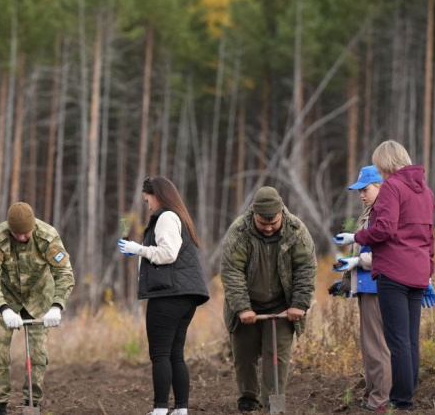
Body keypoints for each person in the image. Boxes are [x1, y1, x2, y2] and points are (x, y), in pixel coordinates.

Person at [333, 140, 435, 411]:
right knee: (411, 340)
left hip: (393, 273)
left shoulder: (392, 187)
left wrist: (355, 237)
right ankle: (407, 398)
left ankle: (400, 402)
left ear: (385, 163)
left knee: (397, 340)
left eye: (379, 165)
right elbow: (428, 236)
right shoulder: (425, 191)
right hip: (417, 273)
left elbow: (385, 230)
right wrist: (429, 271)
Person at [117, 176, 210, 415]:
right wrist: (141, 250)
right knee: (175, 355)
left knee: (159, 354)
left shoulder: (166, 217)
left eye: (147, 198)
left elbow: (168, 253)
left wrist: (138, 249)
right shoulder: (178, 217)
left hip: (169, 295)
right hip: (186, 295)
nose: (147, 204)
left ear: (157, 195)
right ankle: (180, 410)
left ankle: (159, 410)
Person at [220, 186, 317, 413]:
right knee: (244, 356)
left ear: (281, 213)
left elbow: (306, 268)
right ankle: (248, 400)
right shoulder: (239, 232)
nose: (268, 227)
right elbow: (231, 271)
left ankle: (275, 406)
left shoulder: (296, 230)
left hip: (284, 305)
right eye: (263, 223)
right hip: (247, 305)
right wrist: (242, 308)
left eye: (272, 222)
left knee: (278, 358)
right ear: (253, 214)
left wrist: (299, 304)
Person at [0, 202, 75, 415]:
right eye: (17, 234)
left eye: (26, 233)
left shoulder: (47, 236)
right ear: (9, 229)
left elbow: (64, 274)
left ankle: (33, 402)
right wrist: (3, 308)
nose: (22, 237)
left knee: (38, 352)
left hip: (39, 298)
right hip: (5, 297)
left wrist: (57, 306)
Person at [330, 165, 392, 411]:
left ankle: (381, 401)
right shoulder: (367, 214)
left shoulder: (385, 214)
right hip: (366, 286)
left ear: (381, 186)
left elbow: (387, 257)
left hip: (378, 287)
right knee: (369, 348)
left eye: (366, 189)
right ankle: (372, 395)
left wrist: (356, 261)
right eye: (359, 191)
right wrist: (346, 282)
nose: (361, 195)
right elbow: (361, 250)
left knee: (378, 347)